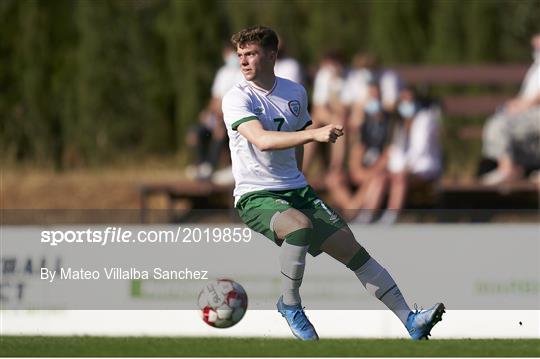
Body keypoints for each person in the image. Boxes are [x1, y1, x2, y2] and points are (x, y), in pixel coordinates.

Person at [222, 26, 444, 341]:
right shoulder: (236, 97)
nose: (244, 62)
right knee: (298, 227)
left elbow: (296, 147)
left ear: (272, 55)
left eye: (251, 54)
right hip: (255, 195)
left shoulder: (295, 92)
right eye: (240, 55)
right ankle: (290, 304)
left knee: (354, 252)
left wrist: (297, 176)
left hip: (297, 191)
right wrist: (314, 133)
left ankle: (411, 320)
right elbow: (261, 140)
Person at [360, 86, 442, 225]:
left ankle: (391, 216)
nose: (406, 104)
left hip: (424, 167)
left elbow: (420, 151)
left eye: (409, 100)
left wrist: (401, 168)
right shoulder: (397, 123)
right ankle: (366, 215)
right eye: (403, 100)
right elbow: (395, 151)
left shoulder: (425, 119)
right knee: (381, 177)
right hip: (402, 168)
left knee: (399, 177)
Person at [480, 33, 540, 185]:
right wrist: (515, 104)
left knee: (499, 125)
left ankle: (508, 169)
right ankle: (512, 167)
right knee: (498, 121)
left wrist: (520, 106)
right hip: (528, 112)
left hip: (534, 113)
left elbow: (535, 99)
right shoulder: (536, 66)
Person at [186, 43, 243, 180]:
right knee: (195, 132)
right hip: (218, 116)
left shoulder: (242, 73)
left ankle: (210, 167)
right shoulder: (223, 73)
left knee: (220, 131)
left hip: (230, 117)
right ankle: (202, 165)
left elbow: (239, 101)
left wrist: (219, 118)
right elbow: (215, 98)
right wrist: (207, 113)